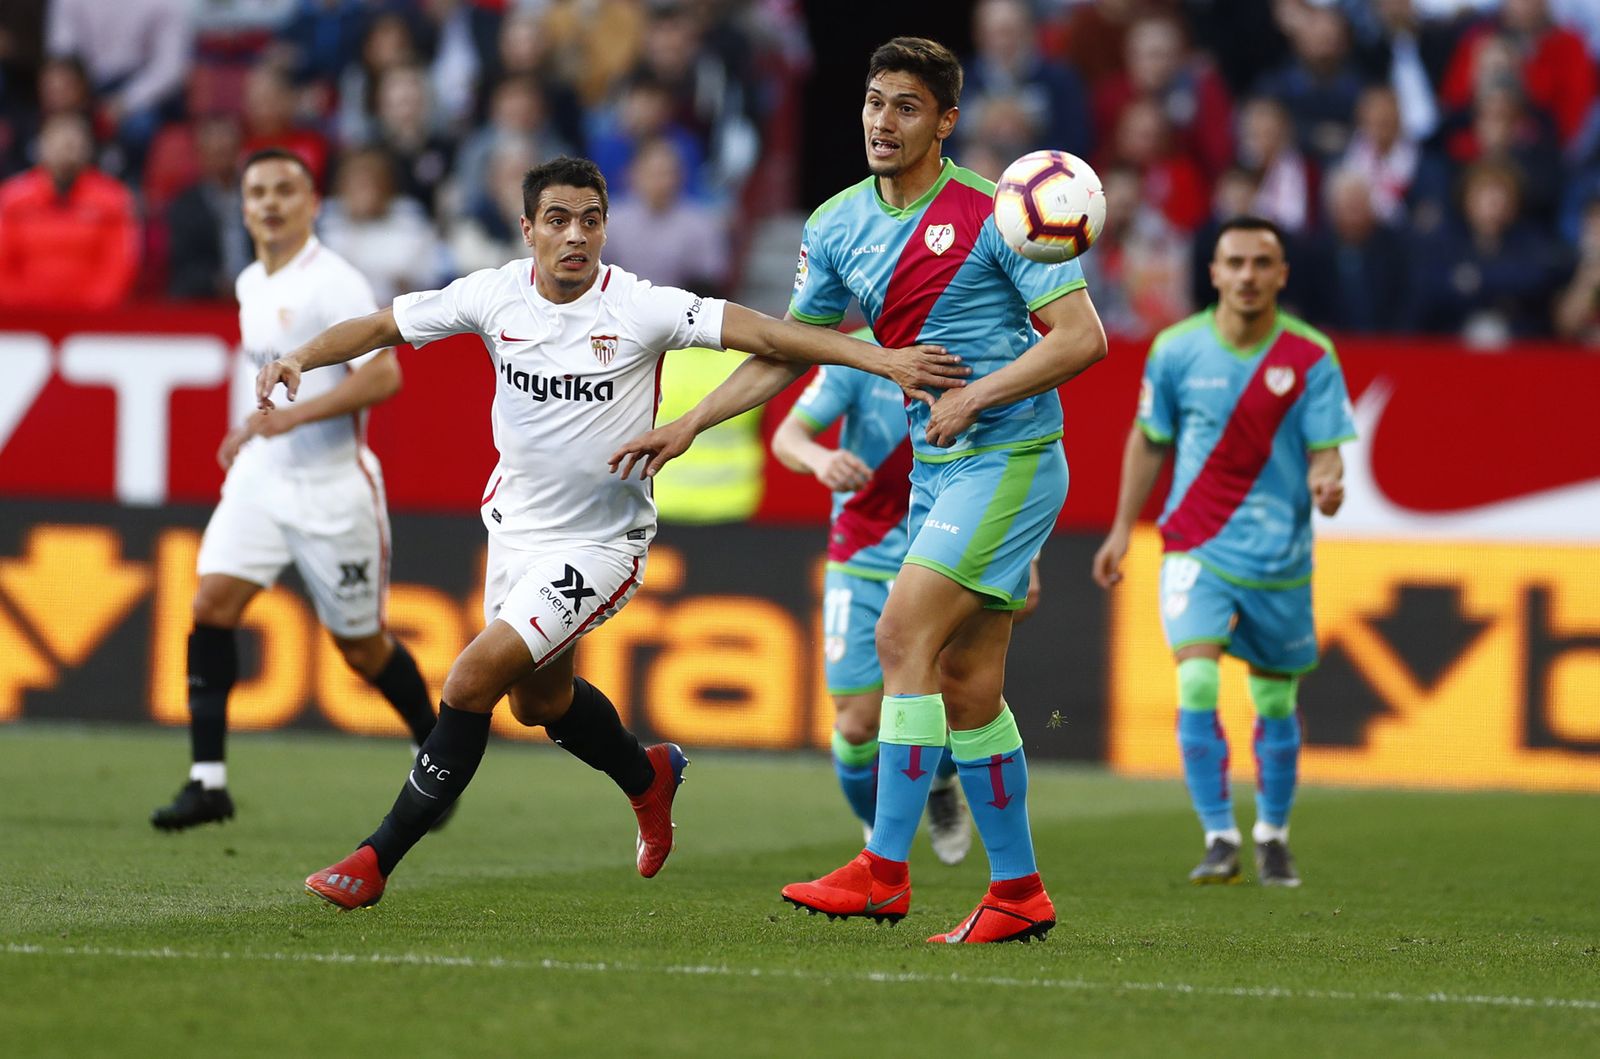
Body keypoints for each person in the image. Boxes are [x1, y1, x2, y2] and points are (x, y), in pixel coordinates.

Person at [253, 155, 966, 909]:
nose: (575, 235)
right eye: (557, 220)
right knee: (537, 703)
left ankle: (374, 859)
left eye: (591, 219)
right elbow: (380, 325)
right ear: (527, 229)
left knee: (467, 681)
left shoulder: (640, 306)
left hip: (601, 545)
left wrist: (877, 357)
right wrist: (298, 355)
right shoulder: (492, 295)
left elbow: (771, 336)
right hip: (516, 530)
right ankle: (647, 775)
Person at [611, 38, 1108, 944]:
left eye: (907, 107)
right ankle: (1018, 892)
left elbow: (1082, 339)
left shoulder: (998, 212)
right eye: (876, 102)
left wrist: (976, 395)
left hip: (1014, 457)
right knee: (965, 687)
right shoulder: (836, 223)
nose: (883, 121)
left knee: (898, 634)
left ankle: (883, 869)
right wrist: (692, 424)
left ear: (945, 122)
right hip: (940, 468)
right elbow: (781, 352)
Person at [151, 149, 440, 832]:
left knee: (362, 646)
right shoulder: (252, 280)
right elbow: (270, 380)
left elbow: (384, 378)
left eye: (286, 190)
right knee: (211, 601)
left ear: (312, 202)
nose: (271, 202)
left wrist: (287, 418)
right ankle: (207, 781)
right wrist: (254, 430)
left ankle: (437, 750)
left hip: (332, 487)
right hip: (263, 478)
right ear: (244, 207)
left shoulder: (332, 283)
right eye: (257, 192)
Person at [1091, 216, 1356, 888]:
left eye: (1261, 263)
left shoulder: (1311, 356)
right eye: (1233, 262)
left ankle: (1272, 833)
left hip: (1279, 556)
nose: (1246, 275)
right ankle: (1217, 833)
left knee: (1273, 702)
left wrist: (1327, 482)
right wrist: (1123, 526)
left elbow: (1327, 450)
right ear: (1211, 272)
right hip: (1194, 542)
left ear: (1282, 274)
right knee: (1199, 679)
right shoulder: (1176, 350)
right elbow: (1150, 438)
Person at [770, 335, 970, 865]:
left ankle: (941, 786)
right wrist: (819, 458)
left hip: (940, 552)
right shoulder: (858, 354)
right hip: (859, 557)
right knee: (857, 724)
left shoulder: (971, 336)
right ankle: (877, 834)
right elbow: (789, 436)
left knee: (955, 702)